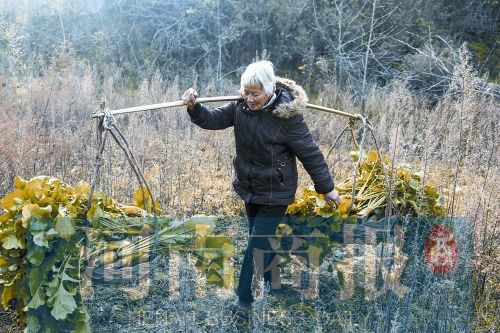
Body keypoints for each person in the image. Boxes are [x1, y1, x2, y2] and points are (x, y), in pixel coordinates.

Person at [182, 60, 341, 314]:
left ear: (269, 89)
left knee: (256, 243)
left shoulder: (287, 116)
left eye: (255, 94)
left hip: (276, 191)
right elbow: (212, 120)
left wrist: (327, 187)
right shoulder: (240, 106)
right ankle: (272, 281)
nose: (249, 98)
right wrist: (194, 107)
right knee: (260, 238)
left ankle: (244, 301)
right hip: (249, 185)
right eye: (246, 92)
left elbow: (310, 153)